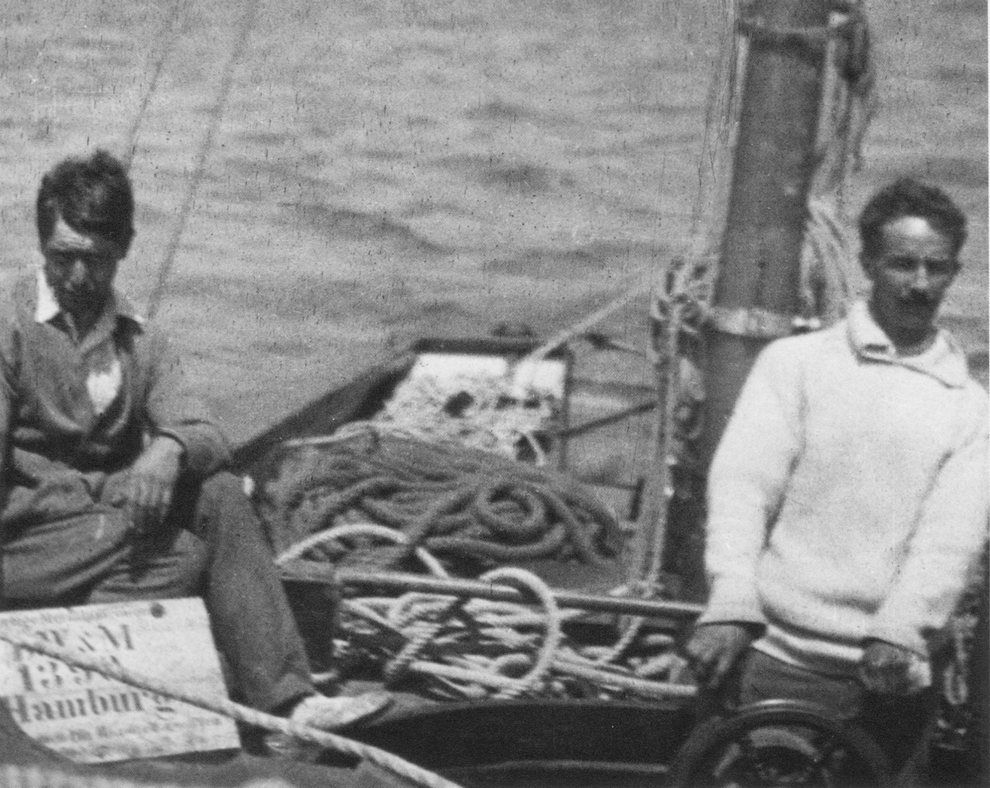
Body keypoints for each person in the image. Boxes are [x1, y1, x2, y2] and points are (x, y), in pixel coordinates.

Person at [0, 150, 389, 749]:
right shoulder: (7, 327)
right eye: (63, 257)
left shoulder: (141, 340)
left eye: (94, 260)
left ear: (124, 246)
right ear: (41, 244)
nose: (77, 277)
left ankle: (290, 705)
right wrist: (94, 501)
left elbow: (208, 432)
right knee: (184, 560)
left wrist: (169, 449)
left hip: (103, 532)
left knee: (219, 494)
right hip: (27, 537)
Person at [685, 177, 988, 781]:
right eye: (903, 264)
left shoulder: (971, 408)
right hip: (773, 659)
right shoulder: (795, 365)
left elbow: (948, 541)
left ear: (955, 272)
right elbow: (744, 489)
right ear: (868, 262)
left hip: (889, 678)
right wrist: (730, 602)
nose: (920, 284)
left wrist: (901, 632)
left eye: (937, 267)